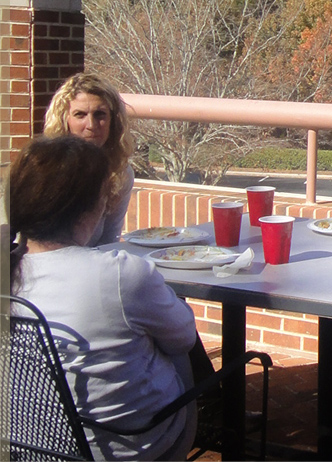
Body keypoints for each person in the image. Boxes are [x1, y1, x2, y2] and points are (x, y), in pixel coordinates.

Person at [8, 136, 198, 460]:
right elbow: (183, 339)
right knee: (175, 343)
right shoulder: (122, 275)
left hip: (28, 444)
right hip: (128, 446)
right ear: (91, 207)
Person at [43, 72, 135, 246]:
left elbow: (110, 239)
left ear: (113, 121)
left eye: (100, 114)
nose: (91, 125)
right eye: (80, 115)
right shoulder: (45, 171)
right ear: (65, 119)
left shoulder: (120, 173)